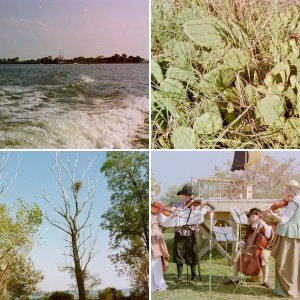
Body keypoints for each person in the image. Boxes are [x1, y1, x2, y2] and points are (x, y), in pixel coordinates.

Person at [266, 179, 300, 298]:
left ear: (291, 189)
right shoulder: (296, 200)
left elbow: (284, 220)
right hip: (295, 233)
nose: (284, 191)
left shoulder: (294, 201)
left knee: (284, 262)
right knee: (293, 261)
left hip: (288, 234)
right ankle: (293, 288)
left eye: (286, 188)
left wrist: (271, 213)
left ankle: (285, 290)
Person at [226, 207, 274, 288]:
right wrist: (242, 242)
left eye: (253, 216)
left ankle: (265, 281)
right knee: (238, 253)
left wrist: (264, 225)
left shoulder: (267, 225)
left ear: (259, 215)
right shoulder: (250, 227)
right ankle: (235, 278)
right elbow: (247, 238)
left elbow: (269, 237)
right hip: (251, 248)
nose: (251, 218)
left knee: (264, 255)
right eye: (250, 217)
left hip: (265, 248)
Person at [173, 184, 207, 283]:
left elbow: (200, 219)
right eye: (186, 195)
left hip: (192, 232)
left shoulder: (196, 206)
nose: (188, 197)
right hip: (180, 232)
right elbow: (172, 218)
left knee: (193, 252)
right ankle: (179, 277)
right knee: (179, 253)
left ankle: (194, 276)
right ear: (183, 195)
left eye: (190, 195)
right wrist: (176, 212)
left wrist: (201, 208)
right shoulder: (177, 205)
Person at [151, 185, 169, 291]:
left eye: (153, 196)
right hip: (149, 235)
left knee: (156, 259)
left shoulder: (158, 207)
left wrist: (172, 215)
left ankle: (158, 283)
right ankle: (151, 284)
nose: (152, 199)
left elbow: (164, 222)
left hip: (156, 235)